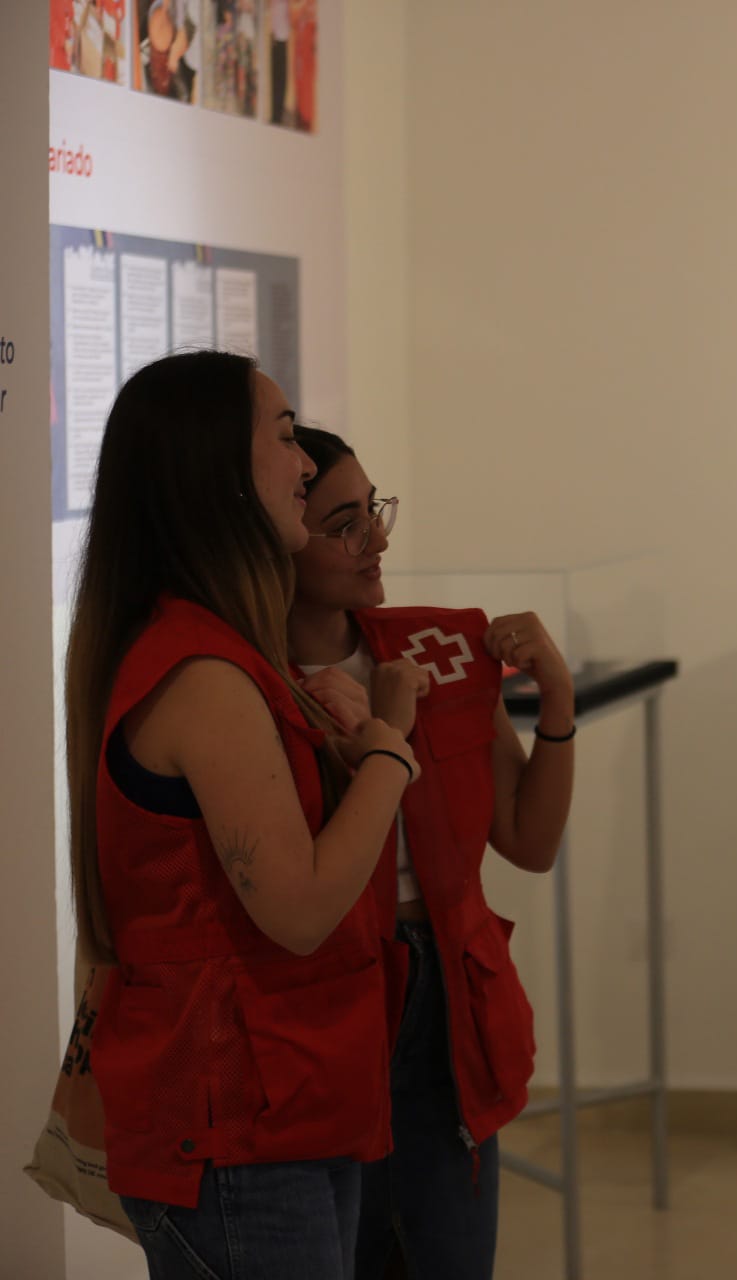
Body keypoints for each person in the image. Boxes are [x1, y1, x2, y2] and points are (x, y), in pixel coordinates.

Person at [67, 351, 419, 1278]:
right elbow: (299, 909)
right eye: (283, 434)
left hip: (284, 1105)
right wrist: (390, 750)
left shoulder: (223, 652)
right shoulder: (204, 675)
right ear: (217, 467)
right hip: (237, 1130)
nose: (305, 463)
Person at [288, 425, 575, 1279]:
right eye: (344, 522)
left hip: (451, 994)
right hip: (328, 1002)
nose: (376, 537)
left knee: (450, 1257)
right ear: (275, 529)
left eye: (373, 510)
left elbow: (529, 840)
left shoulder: (437, 647)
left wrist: (555, 698)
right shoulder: (243, 681)